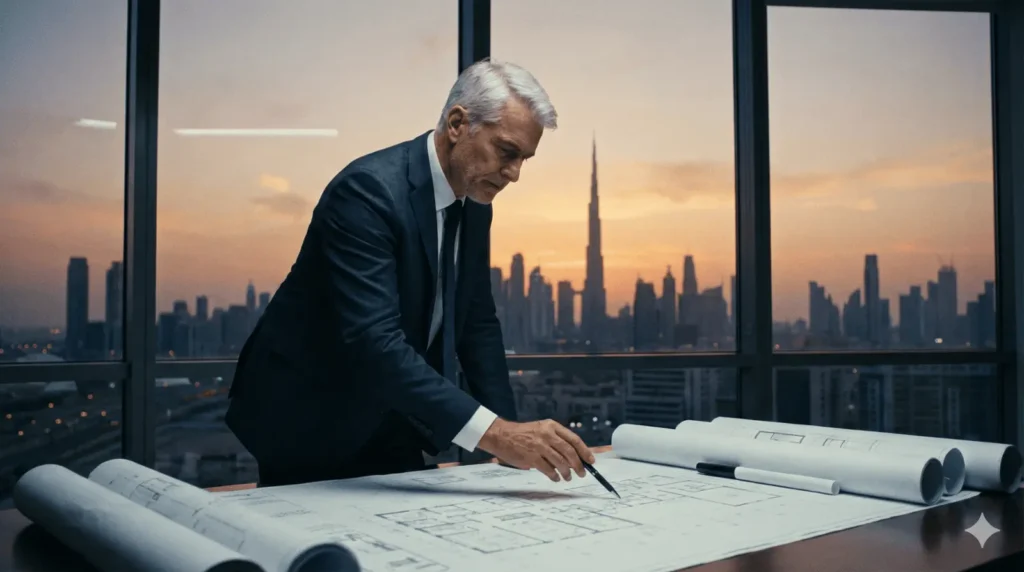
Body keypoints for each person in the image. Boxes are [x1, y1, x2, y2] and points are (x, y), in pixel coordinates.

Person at [225, 59, 596, 487]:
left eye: (524, 160)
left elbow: (477, 323)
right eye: (507, 152)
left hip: (391, 409)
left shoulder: (475, 201)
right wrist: (500, 435)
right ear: (458, 123)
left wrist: (513, 439)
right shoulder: (366, 192)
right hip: (309, 412)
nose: (514, 174)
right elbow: (374, 341)